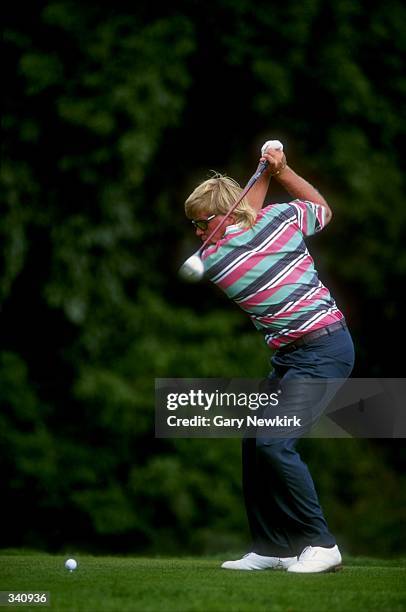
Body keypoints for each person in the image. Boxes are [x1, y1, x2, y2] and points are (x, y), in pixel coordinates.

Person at [184, 142, 355, 573]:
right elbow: (319, 208)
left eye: (202, 223)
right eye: (193, 226)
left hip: (324, 348)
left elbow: (251, 216)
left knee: (275, 444)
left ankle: (321, 544)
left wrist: (270, 171)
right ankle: (274, 547)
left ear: (223, 217)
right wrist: (279, 170)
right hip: (294, 357)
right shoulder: (233, 249)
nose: (198, 235)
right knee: (255, 441)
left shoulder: (218, 253)